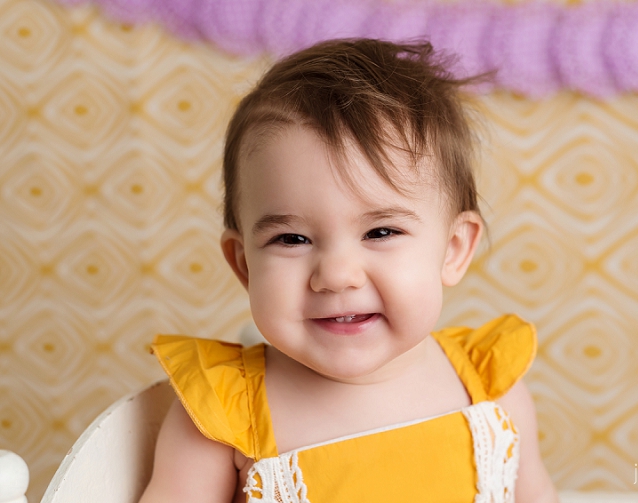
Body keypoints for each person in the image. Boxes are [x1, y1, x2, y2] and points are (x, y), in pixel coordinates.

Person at [139, 38, 558, 503]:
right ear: (244, 264)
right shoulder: (221, 417)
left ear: (453, 250)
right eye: (291, 239)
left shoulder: (491, 390)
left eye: (380, 232)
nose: (337, 275)